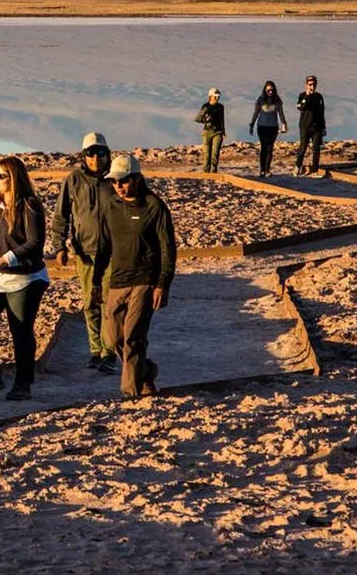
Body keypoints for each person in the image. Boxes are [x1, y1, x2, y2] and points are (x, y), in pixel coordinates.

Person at [94, 154, 176, 400]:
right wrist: (97, 280)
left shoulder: (154, 207)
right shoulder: (111, 206)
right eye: (115, 182)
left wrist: (162, 284)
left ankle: (130, 393)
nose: (118, 186)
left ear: (137, 178)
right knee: (113, 338)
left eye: (124, 181)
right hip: (117, 280)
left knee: (133, 337)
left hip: (145, 280)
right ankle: (146, 371)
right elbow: (103, 246)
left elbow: (167, 249)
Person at [0, 156, 48, 400]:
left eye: (2, 176)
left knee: (21, 329)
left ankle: (23, 383)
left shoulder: (30, 206)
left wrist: (6, 259)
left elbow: (35, 242)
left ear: (14, 178)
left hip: (24, 278)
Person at [44, 132, 117, 374]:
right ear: (83, 156)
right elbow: (61, 216)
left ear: (108, 154)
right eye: (90, 153)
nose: (96, 157)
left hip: (113, 253)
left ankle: (109, 352)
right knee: (90, 303)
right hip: (84, 253)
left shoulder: (117, 179)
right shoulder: (73, 181)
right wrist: (59, 246)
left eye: (100, 152)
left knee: (109, 303)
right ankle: (95, 350)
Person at [247, 80, 288, 177]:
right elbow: (256, 113)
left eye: (272, 90)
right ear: (265, 90)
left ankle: (267, 170)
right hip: (262, 127)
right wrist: (252, 125)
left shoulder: (277, 100)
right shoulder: (260, 100)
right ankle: (262, 170)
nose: (270, 92)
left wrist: (284, 123)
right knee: (264, 147)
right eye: (268, 90)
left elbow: (281, 113)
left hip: (273, 127)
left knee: (270, 148)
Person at [295, 75, 327, 176]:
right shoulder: (302, 95)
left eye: (314, 84)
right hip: (305, 126)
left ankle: (315, 170)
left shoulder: (319, 96)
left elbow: (322, 112)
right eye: (310, 84)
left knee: (316, 149)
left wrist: (323, 126)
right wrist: (307, 96)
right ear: (306, 85)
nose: (312, 86)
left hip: (316, 127)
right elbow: (301, 107)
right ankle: (297, 166)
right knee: (303, 147)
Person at [194, 89, 226, 173]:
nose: (217, 98)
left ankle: (213, 171)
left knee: (215, 153)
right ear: (210, 96)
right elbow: (197, 118)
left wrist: (223, 131)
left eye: (218, 97)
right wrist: (205, 120)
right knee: (207, 154)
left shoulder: (221, 107)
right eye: (215, 96)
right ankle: (206, 172)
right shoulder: (205, 106)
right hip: (207, 132)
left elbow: (222, 119)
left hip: (218, 132)